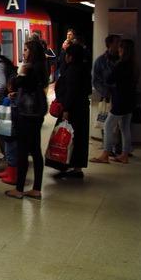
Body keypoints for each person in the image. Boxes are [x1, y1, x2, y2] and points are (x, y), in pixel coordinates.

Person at [5, 40, 48, 200]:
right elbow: (31, 87)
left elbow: (15, 84)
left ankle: (19, 189)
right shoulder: (41, 66)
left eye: (25, 49)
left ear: (32, 51)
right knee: (36, 150)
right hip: (37, 111)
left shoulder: (29, 67)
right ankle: (36, 189)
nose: (23, 52)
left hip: (27, 113)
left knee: (22, 150)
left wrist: (21, 72)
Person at [90, 39, 139, 165]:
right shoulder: (134, 65)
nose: (118, 49)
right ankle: (124, 155)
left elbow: (109, 78)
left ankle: (105, 154)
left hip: (120, 100)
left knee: (107, 126)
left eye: (120, 48)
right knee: (125, 128)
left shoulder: (121, 64)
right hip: (130, 100)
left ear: (123, 50)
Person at [48, 43, 92, 179]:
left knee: (68, 137)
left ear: (71, 57)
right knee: (78, 138)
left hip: (72, 110)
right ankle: (75, 167)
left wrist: (66, 109)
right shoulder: (83, 68)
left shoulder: (73, 70)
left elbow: (70, 92)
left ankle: (66, 164)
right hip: (81, 109)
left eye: (67, 54)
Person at [93, 34, 120, 101]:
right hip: (108, 98)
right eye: (117, 42)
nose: (120, 44)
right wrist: (106, 92)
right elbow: (95, 80)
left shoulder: (123, 60)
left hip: (121, 98)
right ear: (110, 44)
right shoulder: (100, 61)